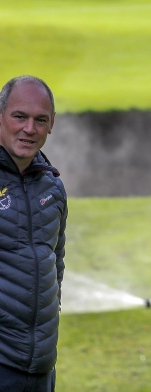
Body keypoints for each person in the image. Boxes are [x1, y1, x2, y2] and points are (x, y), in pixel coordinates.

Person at [0, 76, 67, 392]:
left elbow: (57, 266)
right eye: (19, 116)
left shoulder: (53, 187)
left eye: (40, 120)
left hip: (41, 367)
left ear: (52, 123)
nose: (30, 128)